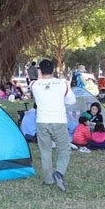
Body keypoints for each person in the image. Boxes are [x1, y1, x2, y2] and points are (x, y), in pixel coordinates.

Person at [31, 59, 76, 191]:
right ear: (53, 70)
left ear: (40, 70)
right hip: (59, 121)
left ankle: (48, 179)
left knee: (45, 151)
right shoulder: (63, 84)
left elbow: (38, 85)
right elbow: (71, 100)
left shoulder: (34, 85)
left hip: (41, 121)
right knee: (64, 148)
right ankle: (59, 172)